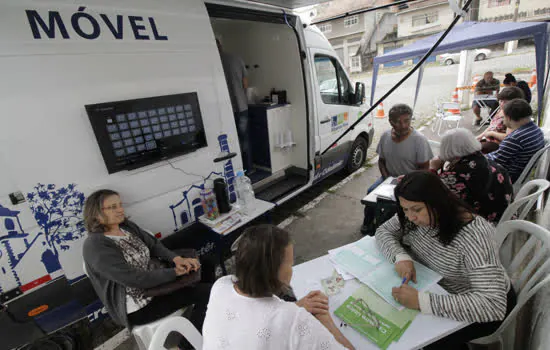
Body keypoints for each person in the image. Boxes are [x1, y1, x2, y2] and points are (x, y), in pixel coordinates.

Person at [376, 171, 516, 350]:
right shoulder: (413, 215)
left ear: (437, 203)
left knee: (415, 342)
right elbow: (384, 231)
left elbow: (492, 305)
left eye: (416, 210)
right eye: (404, 209)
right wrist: (400, 257)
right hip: (439, 287)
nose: (410, 217)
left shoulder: (475, 236)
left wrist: (421, 301)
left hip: (475, 304)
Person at [82, 189, 214, 340]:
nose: (120, 210)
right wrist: (175, 272)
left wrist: (177, 259)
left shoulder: (125, 226)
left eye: (120, 205)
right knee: (208, 292)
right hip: (138, 304)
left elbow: (153, 245)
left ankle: (202, 319)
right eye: (112, 207)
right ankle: (187, 344)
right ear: (96, 213)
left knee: (206, 265)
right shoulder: (95, 245)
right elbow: (133, 279)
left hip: (155, 283)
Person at [202, 224, 355, 350]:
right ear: (274, 271)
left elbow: (255, 318)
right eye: (289, 263)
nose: (292, 269)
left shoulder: (222, 285)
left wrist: (293, 307)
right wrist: (325, 320)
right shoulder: (296, 320)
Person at [361, 104, 433, 235]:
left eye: (406, 121)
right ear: (390, 122)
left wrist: (406, 183)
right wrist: (386, 178)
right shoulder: (385, 136)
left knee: (395, 205)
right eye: (398, 122)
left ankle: (387, 228)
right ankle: (367, 223)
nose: (403, 125)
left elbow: (424, 170)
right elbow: (381, 161)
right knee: (371, 193)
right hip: (389, 178)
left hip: (410, 183)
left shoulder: (419, 140)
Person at [430, 128, 513, 224]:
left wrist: (433, 169)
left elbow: (432, 194)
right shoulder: (485, 160)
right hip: (504, 215)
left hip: (484, 224)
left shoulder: (456, 175)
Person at [487, 98, 545, 183]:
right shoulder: (536, 130)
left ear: (509, 118)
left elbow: (493, 160)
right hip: (523, 174)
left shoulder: (515, 138)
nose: (503, 121)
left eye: (503, 117)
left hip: (507, 178)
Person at [217, 39, 253, 173]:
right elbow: (245, 82)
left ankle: (236, 169)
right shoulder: (236, 58)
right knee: (244, 139)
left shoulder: (212, 62)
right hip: (241, 107)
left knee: (230, 141)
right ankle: (248, 168)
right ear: (221, 45)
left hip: (223, 111)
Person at [476, 86, 525, 154]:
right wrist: (479, 136)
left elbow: (509, 138)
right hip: (488, 140)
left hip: (498, 146)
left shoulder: (513, 116)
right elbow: (491, 126)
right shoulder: (500, 110)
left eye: (505, 102)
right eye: (501, 100)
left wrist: (492, 133)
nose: (501, 104)